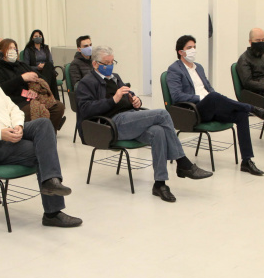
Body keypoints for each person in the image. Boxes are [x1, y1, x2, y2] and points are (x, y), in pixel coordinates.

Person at [0, 51, 82, 228]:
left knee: (43, 124)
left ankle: (51, 181)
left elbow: (14, 109)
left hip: (13, 131)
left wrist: (18, 125)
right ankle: (52, 212)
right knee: (42, 151)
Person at [76, 46, 212, 203]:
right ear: (95, 64)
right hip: (111, 124)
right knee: (162, 113)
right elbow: (85, 110)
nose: (110, 66)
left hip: (130, 118)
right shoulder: (86, 83)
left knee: (158, 132)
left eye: (112, 62)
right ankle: (182, 162)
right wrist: (113, 99)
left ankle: (160, 184)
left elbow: (128, 94)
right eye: (106, 63)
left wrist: (135, 101)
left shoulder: (115, 77)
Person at [169, 35, 264, 174]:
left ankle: (247, 161)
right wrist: (201, 97)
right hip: (194, 110)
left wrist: (210, 97)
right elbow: (176, 96)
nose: (193, 50)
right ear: (180, 52)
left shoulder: (198, 67)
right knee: (213, 97)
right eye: (189, 48)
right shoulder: (174, 69)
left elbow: (209, 88)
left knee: (241, 114)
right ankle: (251, 108)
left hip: (211, 105)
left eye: (194, 47)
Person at [0, 39, 66, 131]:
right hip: (16, 101)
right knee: (37, 109)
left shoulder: (21, 64)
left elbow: (41, 78)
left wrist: (34, 89)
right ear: (1, 51)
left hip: (33, 97)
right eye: (9, 48)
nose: (13, 51)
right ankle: (38, 134)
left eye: (15, 48)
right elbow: (2, 89)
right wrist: (22, 78)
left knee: (58, 107)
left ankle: (50, 133)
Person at [23, 29, 60, 100]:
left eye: (40, 36)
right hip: (35, 71)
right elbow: (26, 66)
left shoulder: (45, 48)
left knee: (49, 65)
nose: (38, 37)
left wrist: (44, 66)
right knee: (52, 74)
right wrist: (38, 67)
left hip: (46, 70)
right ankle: (55, 99)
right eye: (36, 36)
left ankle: (46, 90)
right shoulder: (28, 50)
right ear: (32, 38)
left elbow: (51, 62)